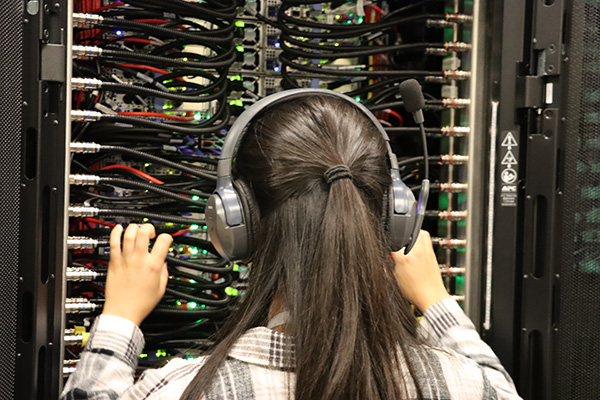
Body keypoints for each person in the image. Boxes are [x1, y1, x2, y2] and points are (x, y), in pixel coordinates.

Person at [61, 95, 522, 400]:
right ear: (392, 221)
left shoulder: (187, 390)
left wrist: (120, 318)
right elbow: (499, 389)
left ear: (235, 224)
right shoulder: (462, 384)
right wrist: (437, 303)